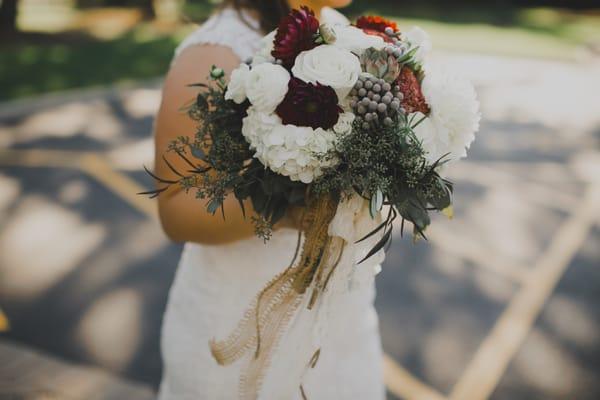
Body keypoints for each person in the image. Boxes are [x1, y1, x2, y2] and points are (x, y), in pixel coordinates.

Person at [154, 1, 386, 398]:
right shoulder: (213, 53)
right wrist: (294, 203)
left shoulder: (340, 31)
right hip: (235, 327)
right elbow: (176, 210)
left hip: (342, 330)